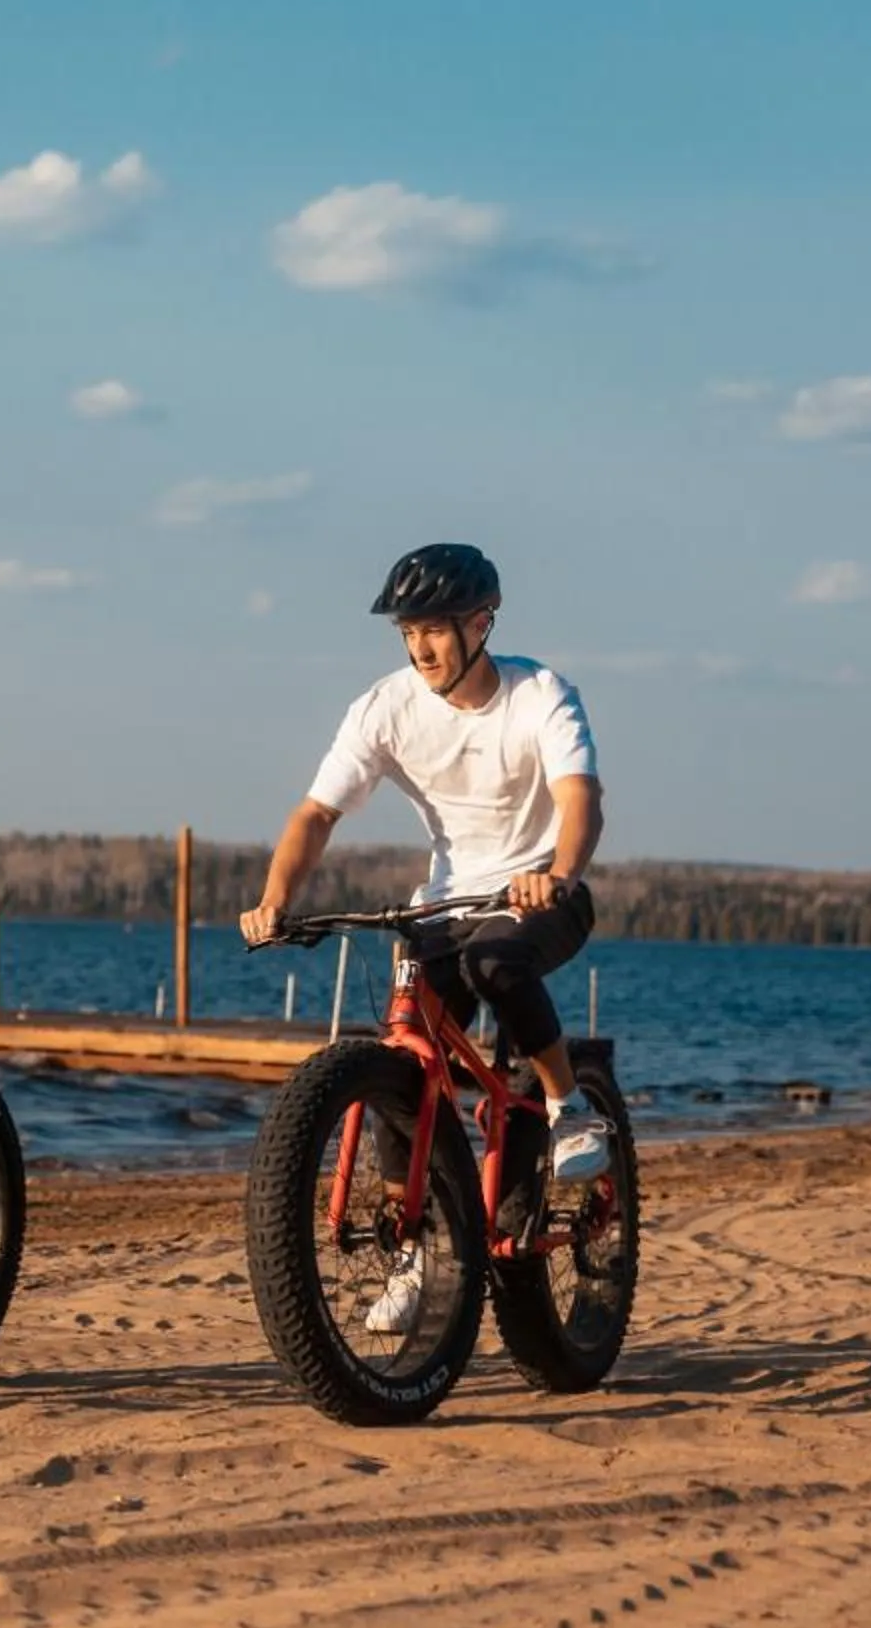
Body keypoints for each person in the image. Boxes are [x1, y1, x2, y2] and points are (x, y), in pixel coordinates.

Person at [239, 542, 613, 1337]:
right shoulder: (385, 706)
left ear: (481, 623)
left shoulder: (539, 694)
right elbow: (317, 815)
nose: (420, 650)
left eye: (435, 631)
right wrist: (275, 900)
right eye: (408, 634)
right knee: (403, 1058)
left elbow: (581, 799)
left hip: (540, 896)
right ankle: (419, 1250)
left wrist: (560, 869)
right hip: (443, 905)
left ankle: (565, 1104)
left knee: (495, 959)